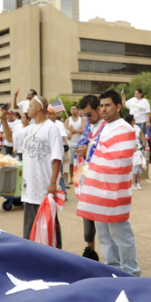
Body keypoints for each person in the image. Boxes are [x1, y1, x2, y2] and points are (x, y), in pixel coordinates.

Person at [77, 90, 140, 275]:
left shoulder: (125, 129)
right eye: (101, 105)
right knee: (104, 235)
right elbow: (99, 153)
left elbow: (120, 159)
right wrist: (87, 151)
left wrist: (96, 155)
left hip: (114, 191)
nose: (103, 109)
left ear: (118, 106)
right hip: (97, 188)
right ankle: (112, 268)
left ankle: (131, 271)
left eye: (108, 105)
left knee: (121, 234)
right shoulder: (103, 127)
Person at [1, 96, 63, 247]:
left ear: (39, 108)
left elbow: (57, 157)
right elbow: (10, 137)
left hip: (44, 186)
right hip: (30, 188)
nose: (27, 109)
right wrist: (3, 119)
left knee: (49, 227)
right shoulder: (29, 129)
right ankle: (32, 258)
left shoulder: (52, 127)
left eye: (30, 106)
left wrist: (53, 182)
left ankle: (56, 257)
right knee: (29, 231)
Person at [72, 95, 102, 261]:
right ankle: (90, 253)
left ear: (98, 109)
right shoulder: (89, 126)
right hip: (86, 175)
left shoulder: (106, 126)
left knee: (103, 223)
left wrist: (88, 148)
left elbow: (104, 148)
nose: (87, 118)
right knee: (87, 217)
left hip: (101, 178)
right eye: (85, 116)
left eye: (89, 114)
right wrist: (80, 148)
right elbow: (83, 141)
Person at [122, 89, 151, 158]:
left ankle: (141, 154)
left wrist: (148, 122)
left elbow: (148, 113)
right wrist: (123, 96)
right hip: (131, 122)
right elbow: (124, 105)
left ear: (141, 94)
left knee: (140, 138)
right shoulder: (132, 100)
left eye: (137, 93)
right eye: (135, 93)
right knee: (132, 137)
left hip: (141, 122)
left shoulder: (145, 101)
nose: (136, 95)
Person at [64, 105, 84, 185]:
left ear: (78, 110)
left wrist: (73, 130)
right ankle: (71, 178)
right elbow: (66, 131)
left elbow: (83, 130)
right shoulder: (67, 120)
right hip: (70, 144)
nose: (73, 110)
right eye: (71, 109)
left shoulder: (81, 120)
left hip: (79, 144)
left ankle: (79, 178)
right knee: (70, 163)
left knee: (80, 163)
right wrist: (72, 131)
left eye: (74, 109)